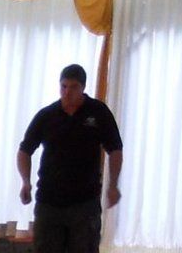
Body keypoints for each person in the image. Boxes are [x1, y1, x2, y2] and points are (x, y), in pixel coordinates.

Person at [16, 63, 123, 253]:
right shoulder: (47, 115)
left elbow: (115, 149)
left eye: (73, 87)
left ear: (83, 88)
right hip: (49, 201)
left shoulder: (98, 112)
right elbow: (24, 151)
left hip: (84, 203)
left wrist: (113, 185)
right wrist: (25, 182)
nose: (67, 92)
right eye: (63, 86)